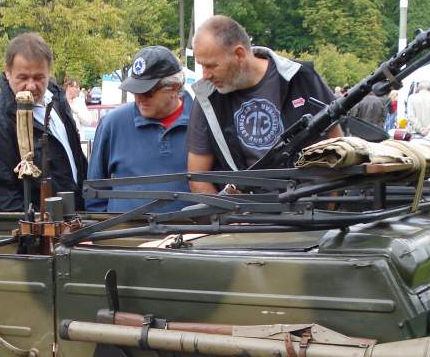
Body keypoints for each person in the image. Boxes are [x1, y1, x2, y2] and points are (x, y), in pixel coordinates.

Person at [186, 15, 340, 193]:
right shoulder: (208, 98)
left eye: (212, 66)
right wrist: (232, 217)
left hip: (306, 209)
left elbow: (338, 148)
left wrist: (324, 212)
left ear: (239, 54)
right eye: (201, 66)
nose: (205, 75)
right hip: (245, 214)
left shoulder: (301, 78)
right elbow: (197, 177)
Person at [0, 32, 86, 211]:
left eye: (39, 77)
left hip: (76, 221)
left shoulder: (55, 99)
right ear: (8, 71)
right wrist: (41, 228)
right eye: (23, 78)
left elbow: (76, 159)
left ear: (49, 72)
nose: (31, 86)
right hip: (45, 231)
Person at [85, 46, 193, 213]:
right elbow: (94, 194)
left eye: (147, 92)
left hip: (191, 237)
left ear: (174, 87)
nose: (139, 98)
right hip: (124, 236)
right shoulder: (112, 124)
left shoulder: (203, 122)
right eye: (135, 90)